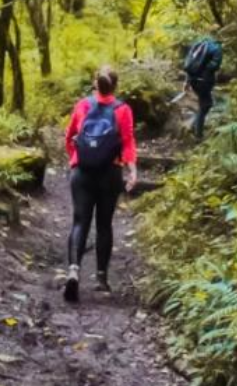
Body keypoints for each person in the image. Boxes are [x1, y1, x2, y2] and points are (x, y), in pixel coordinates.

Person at [63, 65, 138, 303]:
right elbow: (127, 141)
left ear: (96, 83)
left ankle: (74, 269)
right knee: (104, 224)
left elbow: (69, 136)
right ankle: (101, 277)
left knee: (79, 221)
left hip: (82, 171)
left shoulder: (83, 105)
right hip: (110, 173)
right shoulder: (123, 109)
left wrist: (74, 160)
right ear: (115, 86)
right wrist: (132, 170)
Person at [182, 31, 223, 138]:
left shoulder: (197, 45)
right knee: (206, 104)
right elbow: (215, 66)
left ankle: (195, 127)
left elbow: (189, 65)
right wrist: (206, 72)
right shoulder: (216, 48)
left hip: (193, 81)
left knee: (205, 104)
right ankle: (198, 134)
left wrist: (186, 82)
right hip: (205, 81)